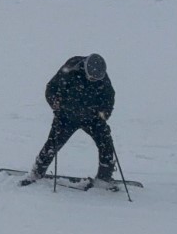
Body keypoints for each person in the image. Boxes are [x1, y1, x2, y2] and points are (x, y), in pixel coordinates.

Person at [22, 54, 117, 186]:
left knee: (106, 143)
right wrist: (55, 104)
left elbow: (109, 99)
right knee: (52, 145)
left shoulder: (103, 79)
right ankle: (36, 173)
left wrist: (103, 116)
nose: (93, 79)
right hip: (66, 116)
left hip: (92, 119)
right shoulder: (71, 68)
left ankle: (104, 178)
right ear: (85, 68)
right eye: (91, 76)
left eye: (96, 78)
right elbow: (51, 88)